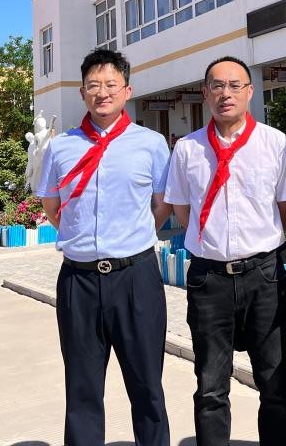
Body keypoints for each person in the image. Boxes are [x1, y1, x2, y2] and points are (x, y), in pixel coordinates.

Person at [36, 49, 172, 446]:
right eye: (93, 85)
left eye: (111, 84)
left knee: (147, 387)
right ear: (82, 92)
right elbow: (51, 205)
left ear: (127, 90)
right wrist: (80, 236)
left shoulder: (150, 144)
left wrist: (134, 235)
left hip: (136, 279)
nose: (102, 92)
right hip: (78, 281)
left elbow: (163, 204)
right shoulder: (61, 147)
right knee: (82, 390)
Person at [161, 55, 286, 446]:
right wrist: (214, 242)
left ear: (250, 92)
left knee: (273, 381)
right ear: (205, 93)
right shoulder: (187, 149)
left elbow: (285, 207)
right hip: (209, 279)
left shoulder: (274, 143)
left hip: (264, 276)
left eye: (235, 85)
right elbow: (182, 210)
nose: (226, 94)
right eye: (217, 86)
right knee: (210, 385)